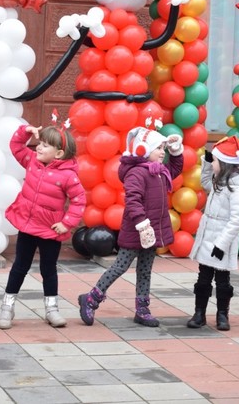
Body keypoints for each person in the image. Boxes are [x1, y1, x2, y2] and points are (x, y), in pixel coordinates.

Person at [79, 123, 184, 327]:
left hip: (152, 233)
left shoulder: (159, 171)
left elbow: (177, 168)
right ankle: (91, 298)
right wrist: (142, 225)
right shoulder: (137, 173)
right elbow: (133, 200)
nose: (162, 153)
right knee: (120, 267)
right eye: (158, 148)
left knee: (145, 270)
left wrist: (175, 149)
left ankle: (142, 309)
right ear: (143, 150)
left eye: (163, 149)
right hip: (137, 231)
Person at [0, 119, 86, 329]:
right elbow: (16, 147)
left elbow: (79, 200)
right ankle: (7, 307)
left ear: (59, 153)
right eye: (40, 143)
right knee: (19, 267)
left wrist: (67, 223)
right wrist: (25, 131)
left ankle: (52, 309)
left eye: (45, 145)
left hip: (50, 230)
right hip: (28, 226)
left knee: (48, 269)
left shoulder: (68, 176)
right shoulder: (32, 161)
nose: (39, 147)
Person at [187, 136, 239, 331]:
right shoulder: (219, 182)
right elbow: (205, 181)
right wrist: (207, 163)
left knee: (223, 281)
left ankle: (222, 314)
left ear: (224, 164)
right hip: (208, 238)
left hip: (221, 243)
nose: (213, 163)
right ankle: (199, 313)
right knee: (203, 278)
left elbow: (236, 221)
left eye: (215, 160)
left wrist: (221, 245)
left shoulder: (237, 190)